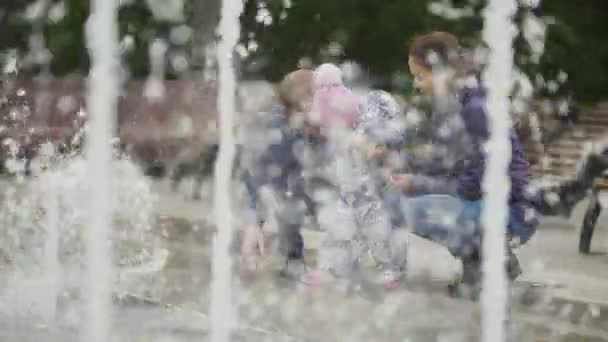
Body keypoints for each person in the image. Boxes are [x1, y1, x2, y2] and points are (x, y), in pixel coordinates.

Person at [383, 32, 537, 298]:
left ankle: (491, 262)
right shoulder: (459, 102)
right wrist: (402, 167)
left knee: (412, 209)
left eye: (420, 76)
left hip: (509, 209)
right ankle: (481, 266)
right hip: (488, 202)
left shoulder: (475, 107)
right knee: (395, 199)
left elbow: (471, 183)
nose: (416, 85)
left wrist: (417, 184)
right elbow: (443, 160)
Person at [298, 65, 407, 288]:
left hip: (373, 181)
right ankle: (335, 268)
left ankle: (389, 269)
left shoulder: (372, 108)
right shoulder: (342, 118)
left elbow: (378, 146)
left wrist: (370, 146)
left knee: (375, 223)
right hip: (353, 179)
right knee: (345, 219)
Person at [240, 68, 315, 272]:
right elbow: (261, 175)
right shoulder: (280, 130)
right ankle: (287, 258)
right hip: (266, 178)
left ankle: (292, 258)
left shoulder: (299, 123)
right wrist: (255, 221)